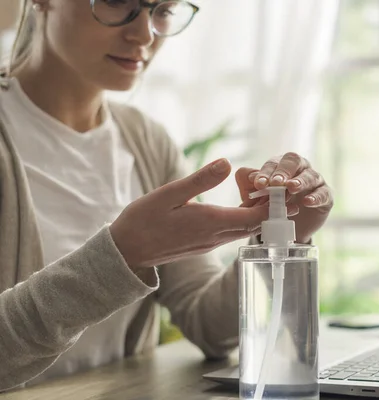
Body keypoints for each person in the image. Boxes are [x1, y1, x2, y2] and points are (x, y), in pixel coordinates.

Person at [0, 0, 333, 391]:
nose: (144, 34)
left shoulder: (146, 142)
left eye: (163, 9)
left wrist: (283, 239)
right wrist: (120, 256)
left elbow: (210, 326)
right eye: (116, 2)